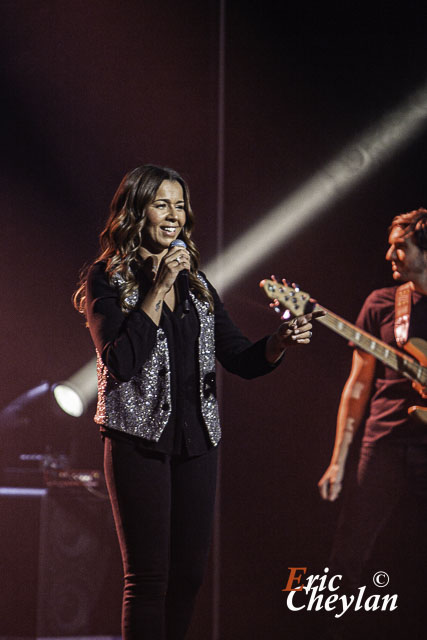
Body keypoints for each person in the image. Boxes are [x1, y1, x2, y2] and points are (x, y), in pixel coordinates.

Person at [74, 164, 320, 640]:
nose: (174, 216)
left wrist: (279, 342)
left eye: (180, 205)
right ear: (135, 211)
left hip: (198, 443)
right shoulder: (108, 280)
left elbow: (240, 357)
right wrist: (160, 285)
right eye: (161, 204)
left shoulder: (200, 287)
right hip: (136, 441)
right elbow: (121, 360)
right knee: (148, 580)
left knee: (188, 577)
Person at [318, 209, 427, 615]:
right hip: (384, 442)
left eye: (400, 247)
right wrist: (338, 461)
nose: (389, 255)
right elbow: (358, 385)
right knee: (348, 555)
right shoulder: (382, 304)